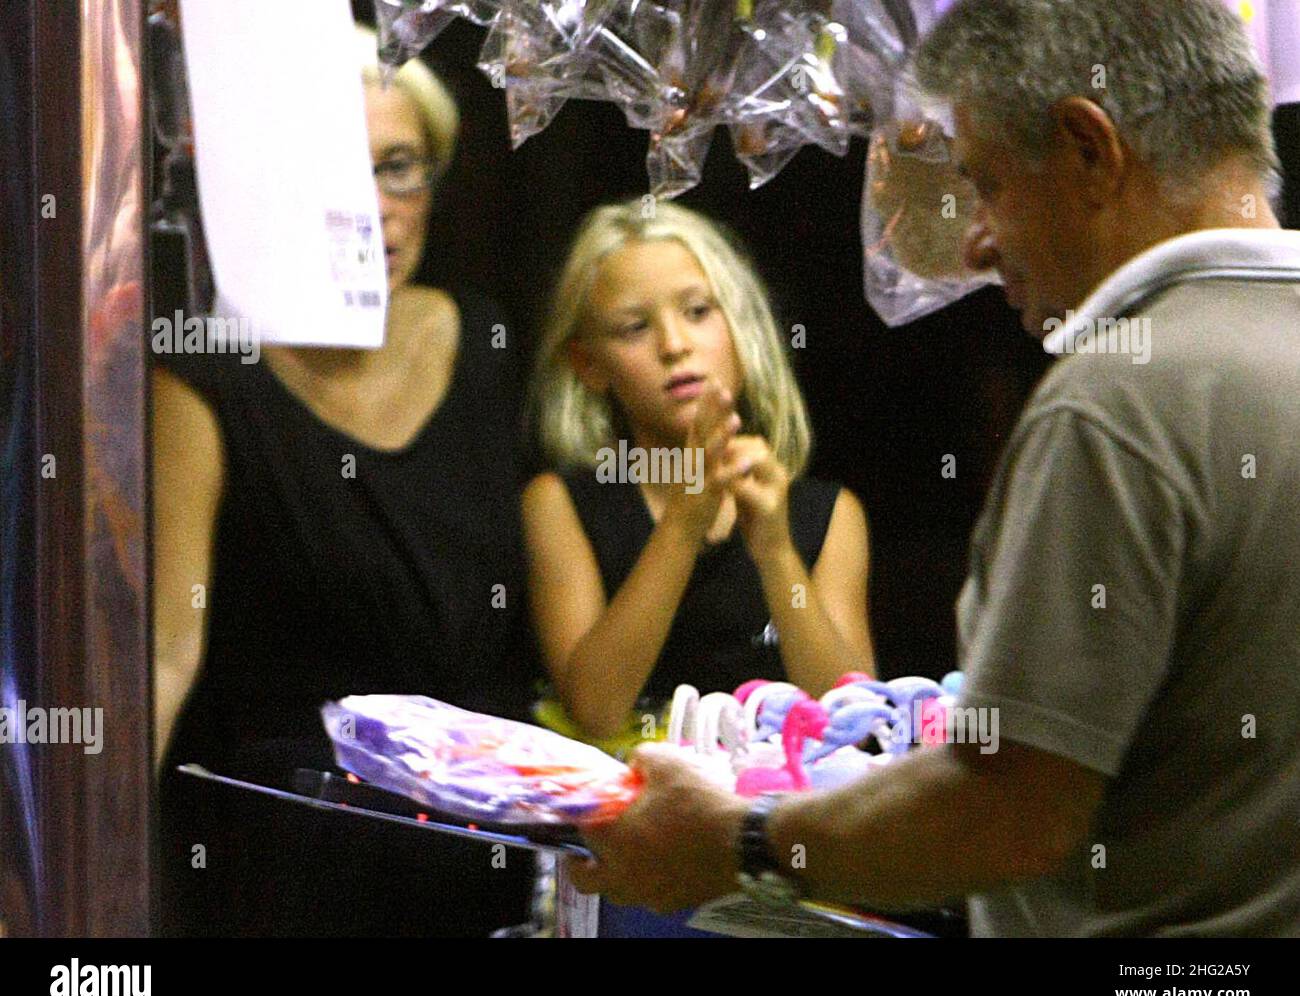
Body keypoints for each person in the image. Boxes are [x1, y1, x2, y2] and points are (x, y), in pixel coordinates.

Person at [569, 0, 1300, 937]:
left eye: (986, 185)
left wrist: (739, 839)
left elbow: (1006, 811)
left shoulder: (1117, 403)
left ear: (1090, 149)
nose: (975, 243)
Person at [153, 28, 535, 936]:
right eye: (337, 171)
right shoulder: (211, 373)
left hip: (480, 864)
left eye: (398, 167)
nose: (372, 209)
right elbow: (167, 650)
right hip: (280, 872)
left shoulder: (484, 342)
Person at [522, 200, 876, 744]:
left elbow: (851, 726)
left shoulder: (829, 516)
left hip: (772, 814)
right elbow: (593, 708)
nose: (674, 345)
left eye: (697, 312)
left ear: (741, 329)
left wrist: (777, 552)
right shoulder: (561, 503)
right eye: (634, 327)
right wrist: (685, 522)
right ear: (589, 364)